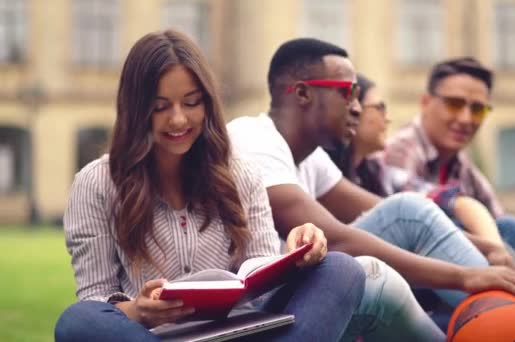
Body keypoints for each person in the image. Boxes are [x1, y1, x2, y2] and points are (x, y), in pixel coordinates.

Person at [53, 30, 367, 342]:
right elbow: (95, 299)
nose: (178, 120)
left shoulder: (240, 172)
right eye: (161, 107)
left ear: (207, 104)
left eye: (191, 103)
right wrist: (139, 309)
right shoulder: (96, 184)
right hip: (150, 336)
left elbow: (259, 271)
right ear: (136, 110)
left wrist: (297, 252)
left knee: (341, 269)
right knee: (77, 320)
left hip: (241, 331)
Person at [227, 38, 515, 340]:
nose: (357, 107)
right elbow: (337, 238)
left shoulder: (311, 157)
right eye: (348, 93)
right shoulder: (254, 139)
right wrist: (464, 275)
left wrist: (482, 245)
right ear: (302, 94)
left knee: (408, 217)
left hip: (313, 290)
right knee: (390, 247)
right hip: (260, 308)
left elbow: (382, 213)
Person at [327, 72, 515, 339]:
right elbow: (442, 210)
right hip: (422, 285)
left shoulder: (372, 171)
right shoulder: (398, 152)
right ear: (426, 103)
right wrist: (493, 247)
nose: (466, 118)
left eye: (479, 110)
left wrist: (497, 247)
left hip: (441, 270)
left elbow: (489, 215)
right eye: (455, 104)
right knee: (504, 232)